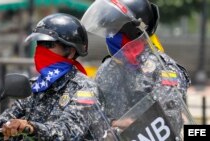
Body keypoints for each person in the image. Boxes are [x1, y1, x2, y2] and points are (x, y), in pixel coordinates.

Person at [0, 13, 107, 141]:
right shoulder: (35, 86)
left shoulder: (84, 89)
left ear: (70, 50)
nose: (41, 49)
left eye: (48, 44)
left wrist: (30, 127)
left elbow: (68, 132)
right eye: (39, 43)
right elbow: (6, 122)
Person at [81, 0, 192, 137]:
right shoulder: (106, 70)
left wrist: (116, 125)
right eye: (108, 30)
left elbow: (168, 119)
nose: (110, 36)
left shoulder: (163, 69)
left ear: (133, 31)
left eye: (114, 29)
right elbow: (93, 117)